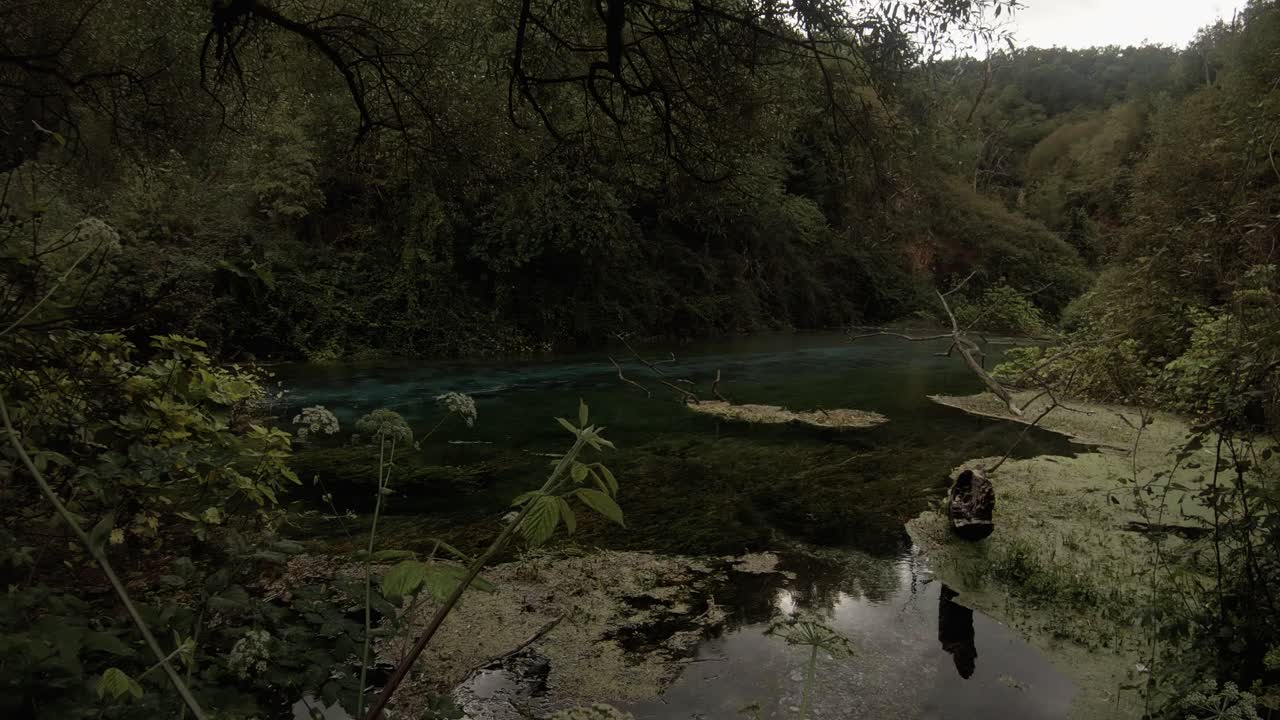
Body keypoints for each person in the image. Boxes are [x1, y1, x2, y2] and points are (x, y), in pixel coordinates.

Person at [948, 468, 995, 541]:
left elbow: (952, 508)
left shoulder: (959, 488)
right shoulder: (986, 487)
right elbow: (991, 506)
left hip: (963, 530)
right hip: (979, 530)